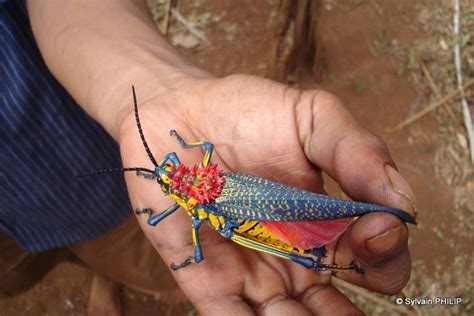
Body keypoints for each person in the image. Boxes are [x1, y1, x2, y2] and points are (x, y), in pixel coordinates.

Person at [0, 1, 417, 315]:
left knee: (243, 237)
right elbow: (201, 168)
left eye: (168, 174)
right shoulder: (198, 181)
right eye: (167, 177)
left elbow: (194, 220)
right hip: (22, 220)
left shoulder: (197, 191)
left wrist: (156, 93)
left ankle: (340, 239)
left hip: (230, 210)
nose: (166, 175)